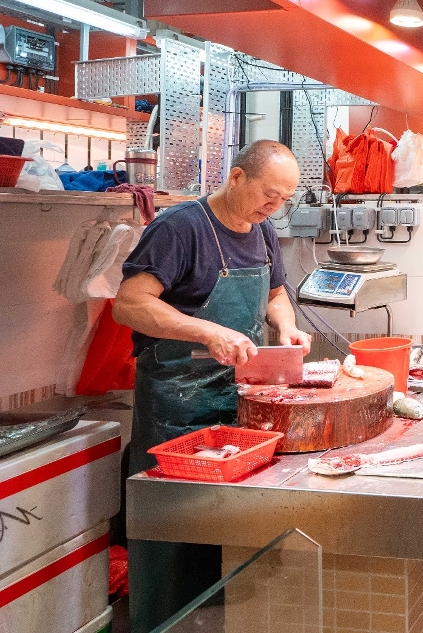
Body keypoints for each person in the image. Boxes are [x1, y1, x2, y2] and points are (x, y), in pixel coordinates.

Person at [114, 140, 311, 632]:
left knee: (225, 530)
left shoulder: (263, 231)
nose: (273, 207)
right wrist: (206, 330)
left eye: (284, 200)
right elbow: (130, 304)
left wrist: (286, 326)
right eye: (268, 194)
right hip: (176, 406)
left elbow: (276, 294)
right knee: (174, 531)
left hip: (236, 401)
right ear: (237, 177)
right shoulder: (180, 227)